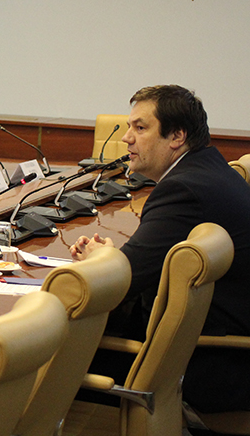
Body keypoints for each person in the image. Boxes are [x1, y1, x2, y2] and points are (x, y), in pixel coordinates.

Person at [69, 85, 250, 413]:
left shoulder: (182, 189)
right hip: (224, 345)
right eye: (129, 127)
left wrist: (104, 260)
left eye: (140, 128)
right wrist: (114, 257)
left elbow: (122, 283)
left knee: (54, 353)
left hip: (213, 364)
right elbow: (141, 264)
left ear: (177, 136)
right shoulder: (209, 169)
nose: (127, 138)